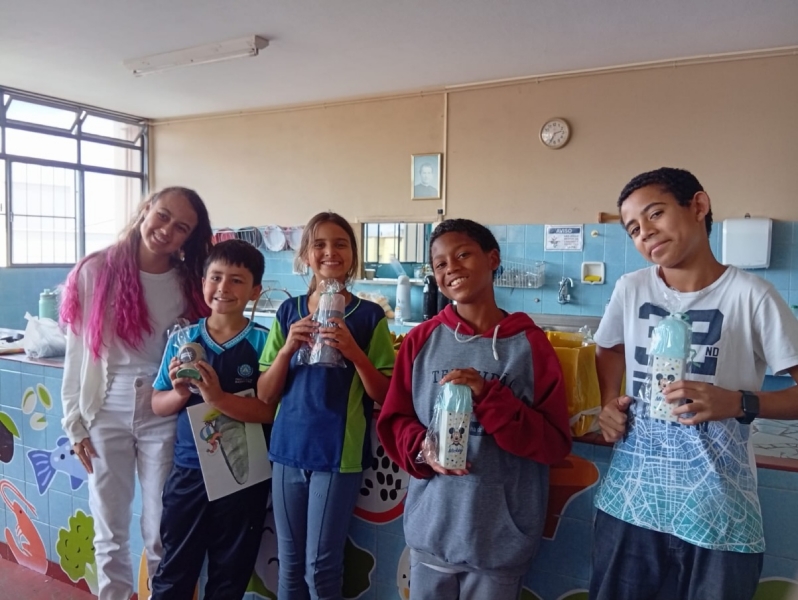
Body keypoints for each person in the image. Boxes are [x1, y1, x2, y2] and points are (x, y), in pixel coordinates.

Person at [590, 167, 798, 600]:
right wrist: (609, 401)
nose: (645, 232)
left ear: (698, 206)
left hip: (716, 511)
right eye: (633, 229)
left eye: (655, 214)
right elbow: (608, 347)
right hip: (632, 502)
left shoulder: (751, 295)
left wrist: (739, 403)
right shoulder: (631, 288)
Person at [377, 219, 572, 599]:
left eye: (463, 254)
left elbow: (553, 443)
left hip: (499, 540)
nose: (451, 268)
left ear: (492, 259)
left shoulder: (531, 346)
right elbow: (396, 419)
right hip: (432, 530)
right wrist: (423, 448)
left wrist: (489, 396)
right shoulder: (421, 340)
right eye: (440, 264)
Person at [60, 186, 213, 600]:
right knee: (109, 530)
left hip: (163, 407)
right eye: (163, 216)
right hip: (105, 407)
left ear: (189, 238)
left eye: (181, 227)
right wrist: (74, 423)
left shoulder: (188, 282)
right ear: (146, 210)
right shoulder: (96, 270)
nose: (167, 230)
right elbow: (77, 353)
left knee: (162, 527)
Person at [257, 212, 395, 600]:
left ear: (353, 255)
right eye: (319, 244)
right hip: (287, 450)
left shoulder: (369, 316)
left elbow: (384, 394)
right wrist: (287, 349)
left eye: (340, 244)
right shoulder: (289, 312)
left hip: (338, 454)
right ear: (305, 255)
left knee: (320, 569)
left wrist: (354, 352)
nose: (330, 252)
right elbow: (265, 393)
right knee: (290, 565)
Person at [150, 238, 273, 599]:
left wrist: (218, 398)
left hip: (243, 476)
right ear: (203, 282)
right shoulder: (183, 339)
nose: (223, 287)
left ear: (255, 291)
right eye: (216, 277)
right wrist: (180, 393)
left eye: (236, 280)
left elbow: (269, 411)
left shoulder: (265, 343)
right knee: (175, 567)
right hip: (189, 471)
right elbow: (158, 403)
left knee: (230, 574)